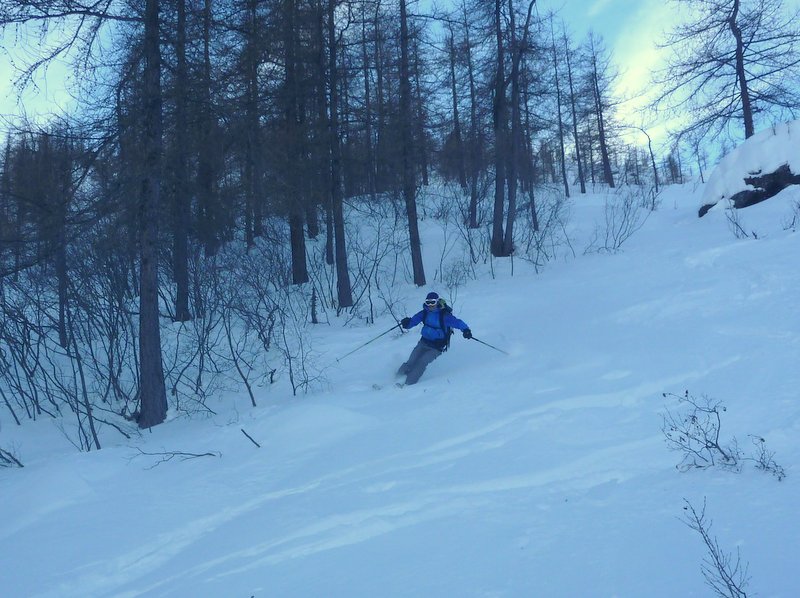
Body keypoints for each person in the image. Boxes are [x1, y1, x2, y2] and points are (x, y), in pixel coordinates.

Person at [397, 291, 472, 385]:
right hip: (423, 342)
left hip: (436, 347)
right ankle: (395, 379)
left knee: (421, 362)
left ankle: (408, 384)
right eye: (428, 302)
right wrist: (407, 323)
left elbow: (457, 322)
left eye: (433, 302)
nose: (430, 305)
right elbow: (413, 321)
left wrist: (466, 330)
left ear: (437, 302)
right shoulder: (424, 313)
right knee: (411, 361)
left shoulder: (443, 316)